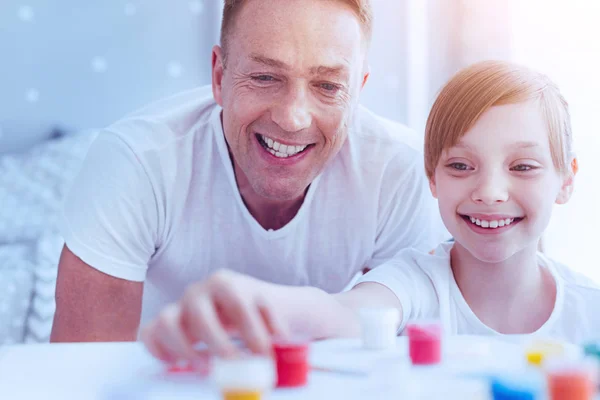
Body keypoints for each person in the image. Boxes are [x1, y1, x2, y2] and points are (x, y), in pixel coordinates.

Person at [141, 60, 600, 364]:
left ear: (566, 179)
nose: (491, 192)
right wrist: (249, 301)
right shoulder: (414, 282)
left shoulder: (590, 312)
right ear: (432, 179)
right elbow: (341, 313)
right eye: (461, 166)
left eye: (522, 166)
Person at [50, 0, 446, 342]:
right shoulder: (135, 166)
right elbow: (81, 376)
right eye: (264, 77)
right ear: (219, 77)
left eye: (327, 86)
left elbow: (410, 360)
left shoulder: (399, 172)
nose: (292, 119)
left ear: (358, 91)